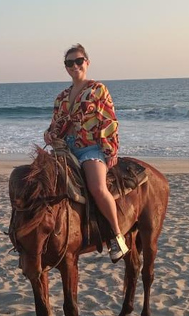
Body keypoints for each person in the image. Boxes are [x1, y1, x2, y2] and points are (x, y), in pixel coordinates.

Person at [44, 44, 129, 262]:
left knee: (97, 187)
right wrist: (48, 133)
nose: (74, 66)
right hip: (65, 148)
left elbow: (108, 119)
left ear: (87, 63)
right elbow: (56, 124)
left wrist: (110, 149)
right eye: (69, 63)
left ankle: (117, 237)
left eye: (78, 61)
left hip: (90, 148)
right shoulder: (62, 96)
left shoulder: (98, 89)